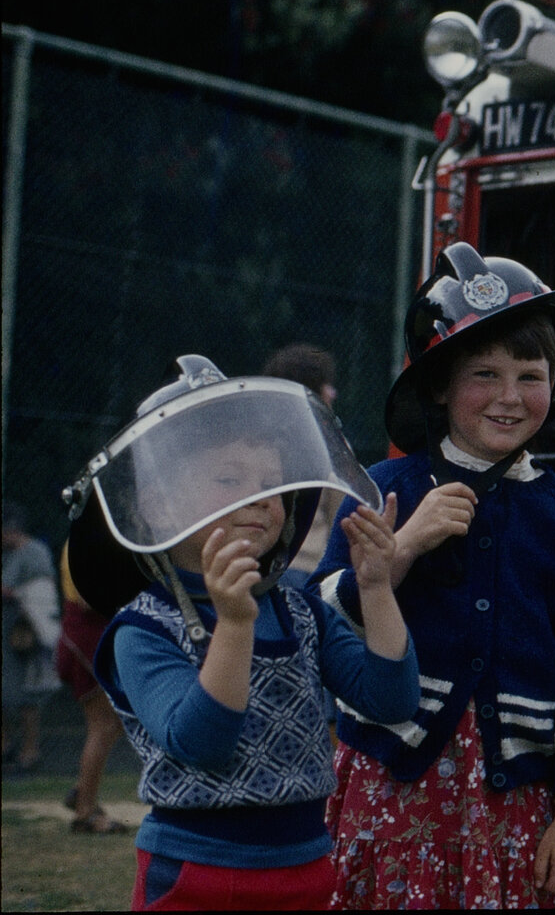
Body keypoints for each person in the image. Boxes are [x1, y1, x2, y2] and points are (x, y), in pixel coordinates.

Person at [311, 242, 555, 909]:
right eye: (485, 373)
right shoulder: (384, 491)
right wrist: (403, 549)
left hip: (514, 803)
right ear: (441, 384)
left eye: (531, 375)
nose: (510, 398)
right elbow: (319, 620)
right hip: (389, 788)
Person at [65, 355, 419, 910]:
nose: (260, 499)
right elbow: (200, 743)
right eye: (229, 480)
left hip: (307, 868)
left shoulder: (301, 612)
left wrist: (375, 590)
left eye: (273, 485)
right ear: (157, 506)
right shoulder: (141, 630)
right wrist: (234, 625)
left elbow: (392, 700)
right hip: (197, 874)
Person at [54, 543, 130, 834]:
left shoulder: (87, 538)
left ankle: (81, 792)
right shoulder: (86, 541)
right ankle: (85, 812)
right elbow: (88, 600)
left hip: (87, 636)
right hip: (85, 637)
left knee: (113, 723)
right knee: (104, 725)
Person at [261, 343, 343, 584]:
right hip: (308, 571)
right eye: (325, 386)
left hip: (259, 569)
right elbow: (341, 518)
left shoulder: (256, 441)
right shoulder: (328, 444)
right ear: (311, 392)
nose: (332, 393)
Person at [3, 504, 60, 773]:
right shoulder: (10, 554)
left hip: (27, 634)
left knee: (29, 694)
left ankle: (30, 750)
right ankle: (6, 746)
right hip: (8, 632)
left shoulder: (34, 551)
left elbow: (38, 590)